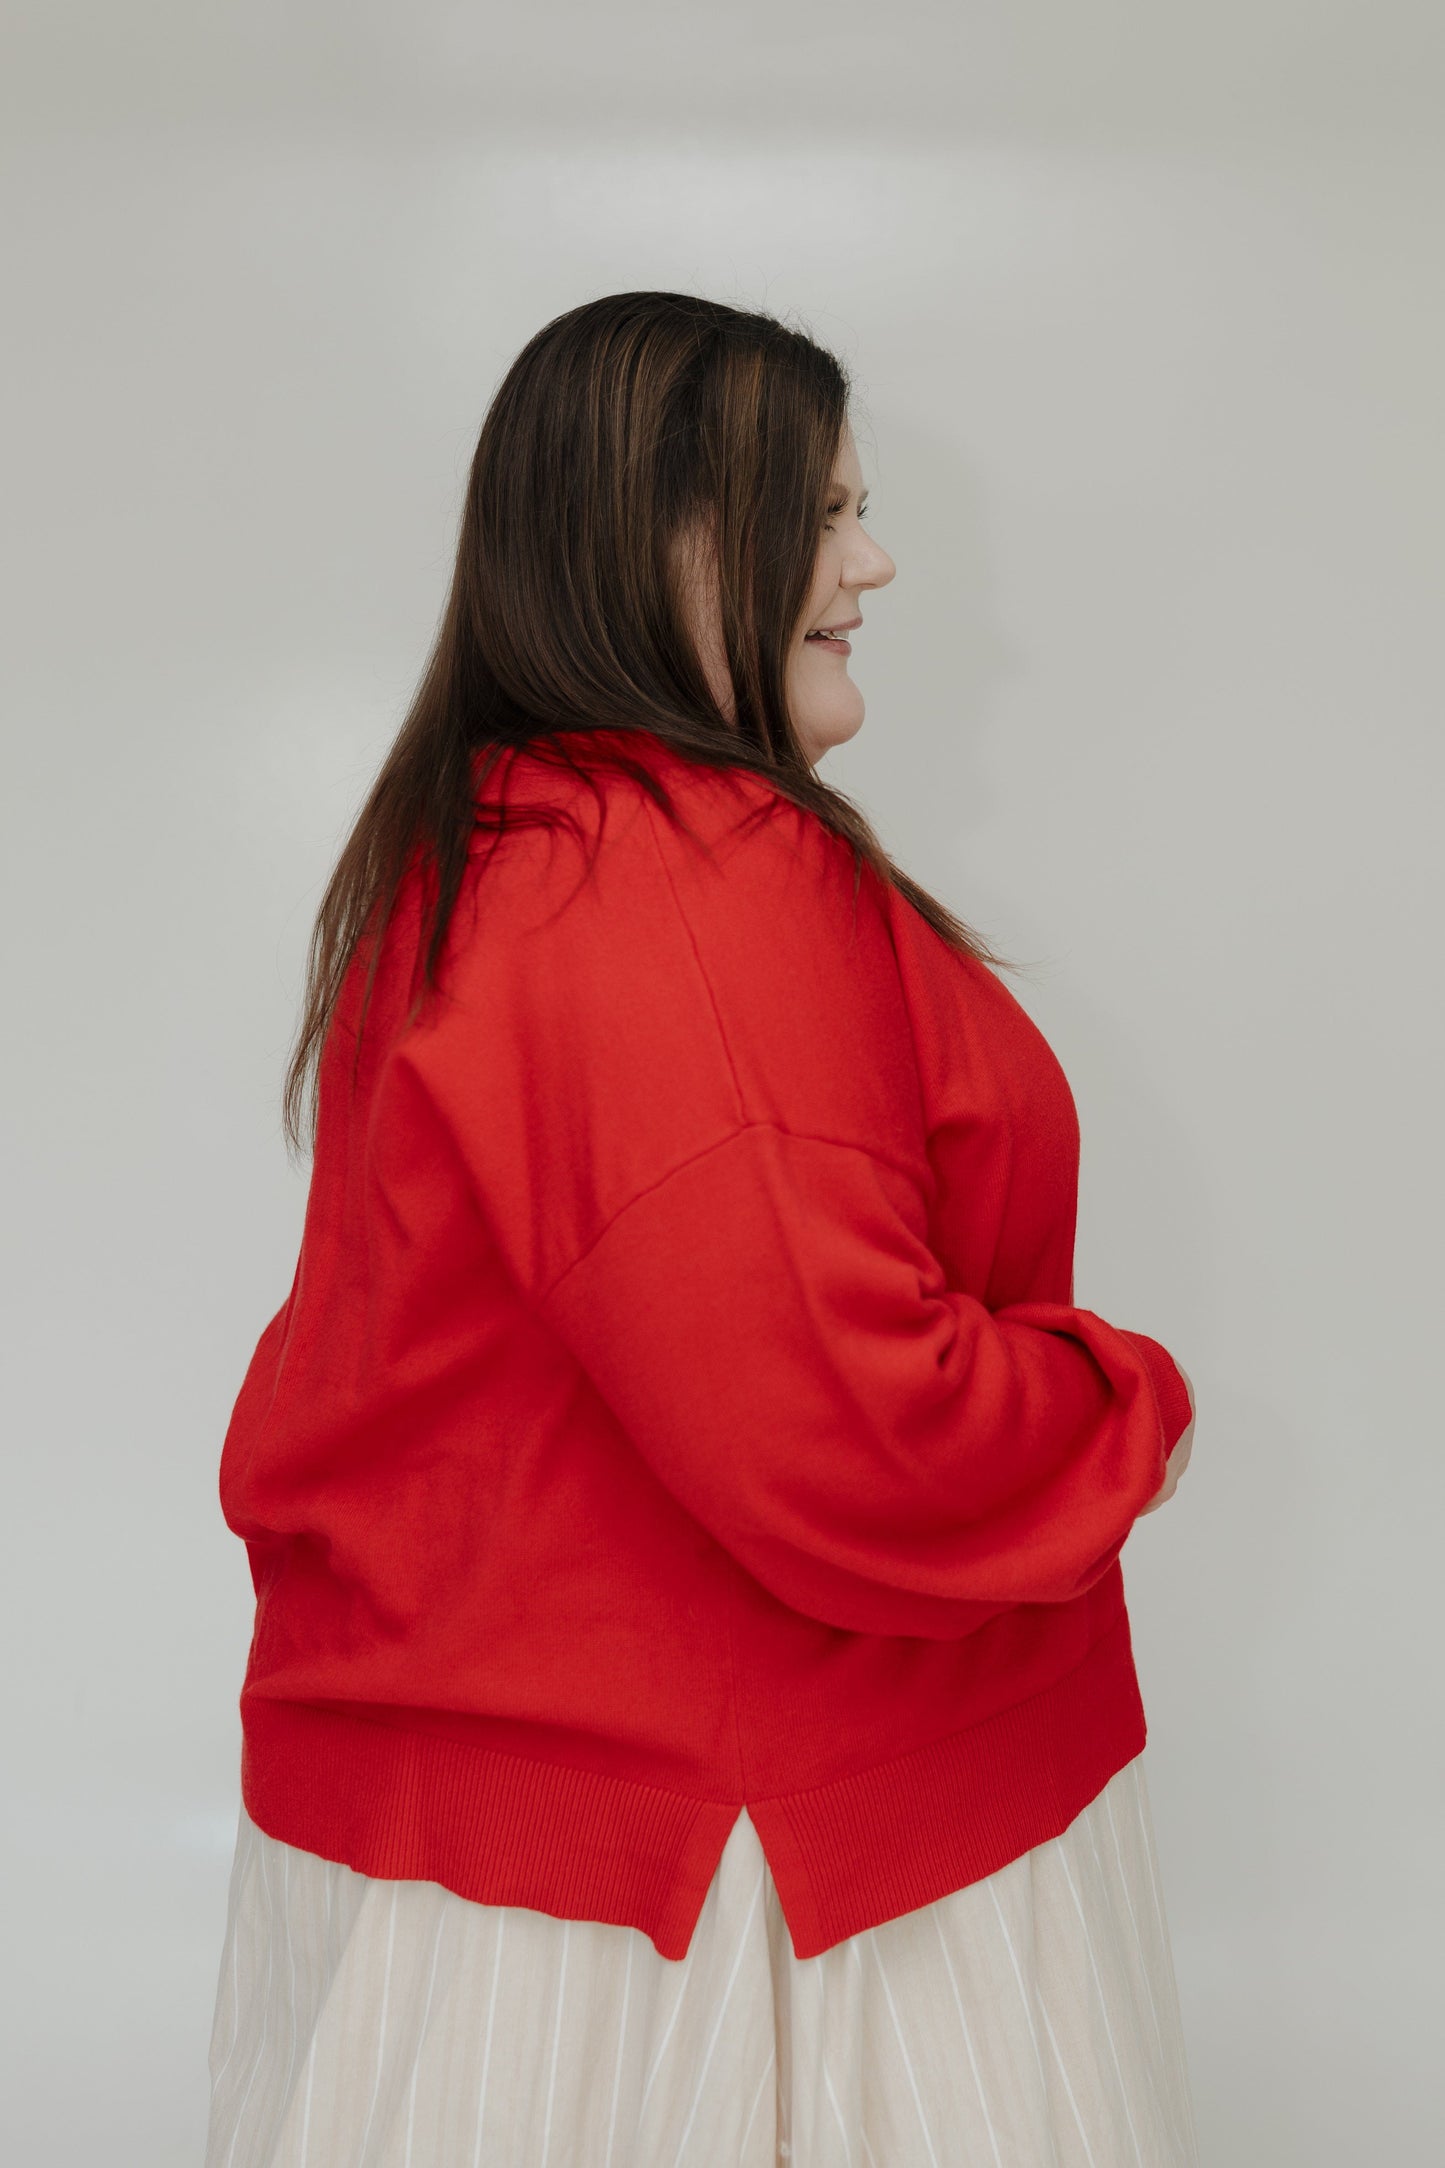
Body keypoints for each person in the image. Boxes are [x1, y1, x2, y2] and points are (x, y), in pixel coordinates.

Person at [204, 290, 1200, 2167]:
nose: (874, 562)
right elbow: (836, 1422)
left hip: (610, 1843)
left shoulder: (514, 839)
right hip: (746, 1871)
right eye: (819, 515)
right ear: (661, 537)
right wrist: (1124, 1412)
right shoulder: (669, 882)